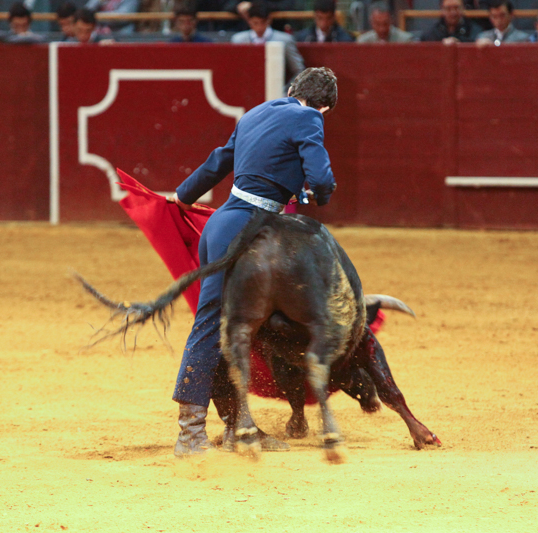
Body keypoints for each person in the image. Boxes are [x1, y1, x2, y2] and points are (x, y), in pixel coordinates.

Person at [168, 67, 339, 457]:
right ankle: (189, 435)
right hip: (250, 230)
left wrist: (182, 195)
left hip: (222, 224)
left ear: (292, 89)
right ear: (324, 105)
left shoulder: (255, 113)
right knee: (214, 326)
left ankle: (234, 427)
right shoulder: (309, 117)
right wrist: (320, 192)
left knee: (230, 326)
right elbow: (321, 176)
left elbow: (218, 162)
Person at [232, 2, 305, 87]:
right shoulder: (239, 40)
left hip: (276, 91)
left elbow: (299, 70)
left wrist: (286, 91)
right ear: (249, 21)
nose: (259, 27)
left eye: (262, 22)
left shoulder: (284, 40)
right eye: (255, 23)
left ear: (269, 20)